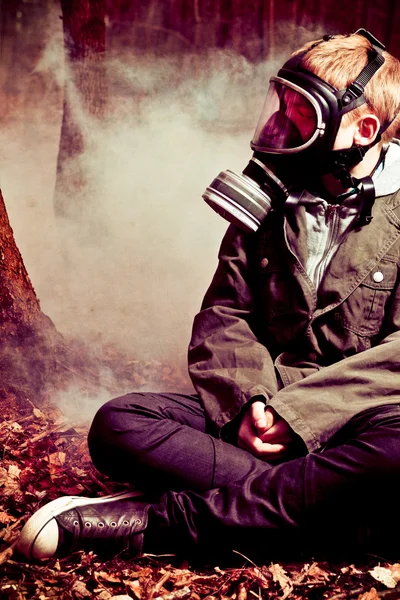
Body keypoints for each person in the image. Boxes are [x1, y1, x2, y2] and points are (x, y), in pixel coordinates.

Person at [17, 29, 400, 562]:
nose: (283, 129)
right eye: (282, 108)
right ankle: (336, 514)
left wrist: (302, 416)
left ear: (362, 129)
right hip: (267, 415)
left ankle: (158, 525)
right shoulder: (268, 204)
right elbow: (225, 312)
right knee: (120, 425)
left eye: (303, 118)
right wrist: (254, 403)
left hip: (364, 422)